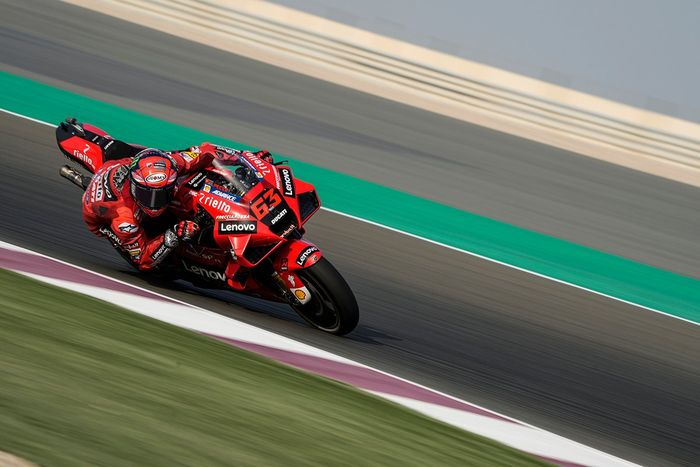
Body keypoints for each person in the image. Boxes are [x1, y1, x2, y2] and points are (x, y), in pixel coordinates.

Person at [82, 144, 271, 270]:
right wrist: (173, 234)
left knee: (202, 175)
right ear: (134, 187)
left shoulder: (173, 163)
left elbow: (208, 150)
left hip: (133, 163)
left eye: (162, 193)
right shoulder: (124, 217)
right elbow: (143, 260)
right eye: (148, 195)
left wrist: (248, 159)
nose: (154, 203)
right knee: (159, 265)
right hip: (103, 218)